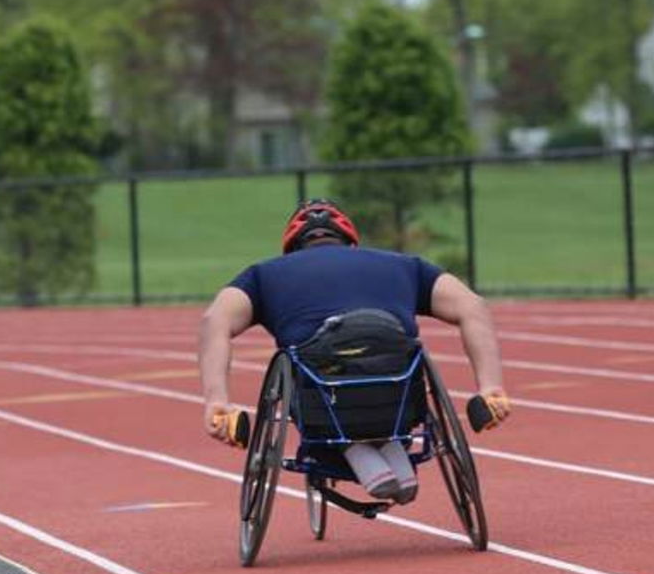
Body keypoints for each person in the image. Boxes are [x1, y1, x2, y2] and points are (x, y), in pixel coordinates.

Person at [198, 198, 510, 504]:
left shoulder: (264, 275)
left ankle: (355, 451)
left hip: (323, 399)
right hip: (398, 396)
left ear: (291, 249)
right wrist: (490, 387)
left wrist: (217, 401)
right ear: (351, 243)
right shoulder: (404, 265)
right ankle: (389, 448)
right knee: (390, 359)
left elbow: (215, 321)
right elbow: (473, 306)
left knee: (305, 366)